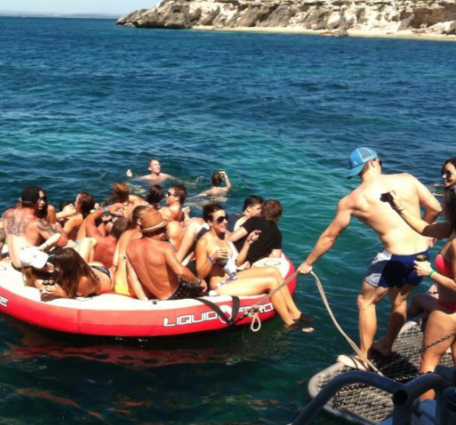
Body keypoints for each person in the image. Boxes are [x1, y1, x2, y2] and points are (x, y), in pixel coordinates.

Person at [298, 147, 441, 370]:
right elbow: (435, 208)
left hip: (395, 257)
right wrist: (425, 232)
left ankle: (363, 358)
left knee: (365, 302)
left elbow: (330, 236)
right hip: (421, 254)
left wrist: (308, 263)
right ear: (374, 162)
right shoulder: (407, 179)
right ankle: (386, 346)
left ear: (358, 170)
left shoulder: (352, 200)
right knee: (399, 301)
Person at [386, 158, 456, 398]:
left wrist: (430, 273)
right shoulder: (450, 229)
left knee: (429, 364)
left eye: (445, 201)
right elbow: (423, 228)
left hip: (449, 311)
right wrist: (398, 207)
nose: (441, 205)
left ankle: (423, 414)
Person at [195, 204, 311, 330]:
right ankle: (289, 322)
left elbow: (238, 263)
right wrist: (213, 258)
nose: (225, 222)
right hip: (221, 285)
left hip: (233, 276)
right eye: (220, 219)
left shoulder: (224, 236)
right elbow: (200, 274)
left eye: (226, 217)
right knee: (271, 282)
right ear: (209, 222)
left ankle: (295, 312)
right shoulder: (204, 241)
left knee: (273, 271)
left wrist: (247, 242)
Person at [126, 208, 206, 300]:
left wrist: (144, 300)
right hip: (178, 294)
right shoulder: (164, 246)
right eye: (163, 229)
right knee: (202, 255)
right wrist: (199, 282)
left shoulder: (130, 246)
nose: (166, 232)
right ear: (154, 231)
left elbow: (132, 277)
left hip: (161, 297)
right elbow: (179, 271)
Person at [0, 186, 68, 270]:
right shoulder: (36, 222)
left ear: (21, 200)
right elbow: (63, 242)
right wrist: (58, 226)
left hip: (14, 263)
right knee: (70, 250)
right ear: (38, 201)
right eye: (41, 199)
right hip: (30, 267)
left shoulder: (7, 214)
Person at [21, 246, 113, 299]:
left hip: (107, 276)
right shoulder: (70, 269)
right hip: (92, 267)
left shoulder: (83, 281)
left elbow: (75, 295)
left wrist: (57, 291)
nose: (52, 267)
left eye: (57, 266)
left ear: (67, 268)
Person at [228, 199, 283, 265]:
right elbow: (276, 257)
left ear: (262, 210)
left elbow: (232, 238)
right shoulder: (277, 233)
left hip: (238, 256)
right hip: (253, 263)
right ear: (278, 215)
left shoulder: (254, 220)